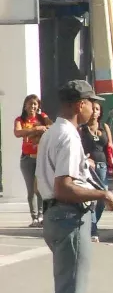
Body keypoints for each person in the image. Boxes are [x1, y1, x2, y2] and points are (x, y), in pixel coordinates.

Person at [37, 81, 113, 293]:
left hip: (57, 216)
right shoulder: (69, 137)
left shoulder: (52, 132)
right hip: (69, 217)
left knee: (67, 291)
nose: (92, 108)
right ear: (78, 105)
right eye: (89, 102)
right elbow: (64, 186)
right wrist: (103, 195)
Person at [79, 100, 113, 241]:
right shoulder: (82, 129)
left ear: (100, 112)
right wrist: (85, 160)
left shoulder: (104, 127)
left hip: (103, 166)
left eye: (97, 109)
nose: (95, 111)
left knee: (103, 196)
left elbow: (110, 147)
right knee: (93, 197)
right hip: (89, 167)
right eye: (93, 109)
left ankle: (92, 223)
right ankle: (93, 230)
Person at [15, 94, 51, 225]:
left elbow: (52, 127)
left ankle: (42, 215)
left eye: (35, 104)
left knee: (41, 187)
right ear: (25, 106)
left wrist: (44, 125)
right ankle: (34, 217)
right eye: (30, 104)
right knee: (31, 189)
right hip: (27, 159)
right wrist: (35, 129)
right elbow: (17, 133)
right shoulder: (20, 119)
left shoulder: (43, 117)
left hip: (41, 158)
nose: (33, 106)